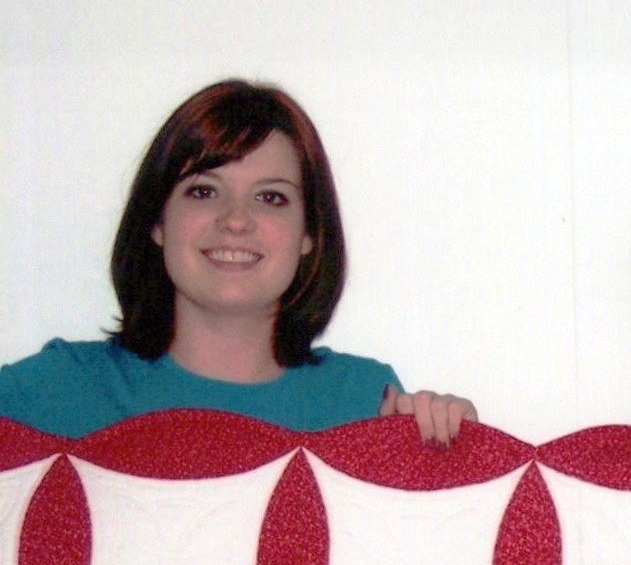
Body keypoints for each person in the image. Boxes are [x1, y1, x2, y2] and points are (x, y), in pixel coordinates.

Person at [0, 79, 473, 443]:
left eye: (270, 198)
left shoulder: (364, 401)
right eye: (204, 191)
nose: (236, 220)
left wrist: (452, 450)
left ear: (309, 234)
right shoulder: (54, 390)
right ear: (157, 221)